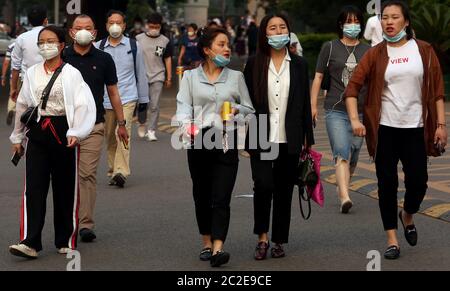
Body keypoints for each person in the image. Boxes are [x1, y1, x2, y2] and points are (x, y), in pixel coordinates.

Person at [345, 0, 448, 260]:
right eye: (385, 18)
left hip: (415, 128)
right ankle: (392, 239)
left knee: (418, 182)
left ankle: (408, 214)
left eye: (394, 17)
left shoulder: (423, 50)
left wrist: (440, 125)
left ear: (406, 21)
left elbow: (437, 92)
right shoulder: (375, 53)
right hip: (384, 131)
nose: (388, 22)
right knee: (386, 185)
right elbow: (352, 89)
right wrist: (356, 121)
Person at [8, 26, 96, 259]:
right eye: (42, 42)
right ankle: (30, 242)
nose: (46, 46)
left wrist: (77, 130)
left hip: (64, 132)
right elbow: (23, 106)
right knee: (34, 189)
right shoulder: (32, 73)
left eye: (51, 41)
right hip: (38, 131)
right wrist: (17, 137)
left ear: (61, 45)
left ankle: (65, 239)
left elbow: (82, 104)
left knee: (65, 188)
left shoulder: (72, 73)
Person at [176, 27, 254, 267]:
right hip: (198, 140)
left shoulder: (236, 77)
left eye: (228, 44)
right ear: (208, 50)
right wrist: (185, 125)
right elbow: (182, 106)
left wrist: (236, 111)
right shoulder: (190, 77)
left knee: (221, 196)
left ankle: (219, 248)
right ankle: (207, 243)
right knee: (202, 195)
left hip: (226, 140)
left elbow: (249, 109)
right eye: (221, 44)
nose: (227, 48)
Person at [243, 14, 314, 260]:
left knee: (284, 190)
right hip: (262, 134)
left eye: (282, 27)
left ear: (288, 32)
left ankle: (278, 240)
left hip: (290, 136)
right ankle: (262, 237)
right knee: (263, 185)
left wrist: (309, 139)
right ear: (265, 34)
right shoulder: (254, 63)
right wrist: (247, 137)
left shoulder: (299, 64)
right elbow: (246, 102)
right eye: (272, 28)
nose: (278, 31)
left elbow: (304, 103)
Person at [64, 14, 128, 243]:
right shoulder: (61, 57)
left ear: (94, 32)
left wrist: (121, 124)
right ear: (71, 32)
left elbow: (113, 92)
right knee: (63, 176)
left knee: (87, 175)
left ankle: (85, 224)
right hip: (62, 125)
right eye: (78, 28)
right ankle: (65, 222)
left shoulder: (104, 59)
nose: (83, 31)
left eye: (88, 28)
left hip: (94, 125)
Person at [311, 6, 370, 214]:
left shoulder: (367, 50)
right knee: (341, 152)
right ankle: (345, 196)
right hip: (335, 108)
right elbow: (318, 77)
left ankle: (342, 185)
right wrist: (312, 107)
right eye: (348, 21)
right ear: (341, 24)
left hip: (361, 111)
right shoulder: (330, 47)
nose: (352, 25)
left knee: (353, 154)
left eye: (356, 22)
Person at [95, 10, 149, 188]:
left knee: (123, 133)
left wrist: (143, 101)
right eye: (111, 23)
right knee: (110, 137)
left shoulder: (134, 46)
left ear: (124, 26)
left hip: (127, 97)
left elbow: (141, 73)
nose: (115, 26)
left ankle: (121, 171)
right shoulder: (98, 47)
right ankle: (113, 170)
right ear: (106, 26)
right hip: (105, 99)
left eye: (118, 22)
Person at [136, 13, 173, 141]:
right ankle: (142, 123)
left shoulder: (165, 41)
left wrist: (169, 77)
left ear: (160, 26)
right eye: (151, 26)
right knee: (142, 103)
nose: (153, 28)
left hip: (158, 75)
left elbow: (167, 59)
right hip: (142, 76)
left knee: (155, 105)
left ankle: (151, 130)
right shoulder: (138, 39)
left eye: (156, 26)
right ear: (147, 25)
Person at [9, 5, 47, 130]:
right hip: (50, 82)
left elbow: (15, 67)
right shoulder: (52, 36)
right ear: (45, 20)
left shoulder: (21, 38)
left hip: (27, 84)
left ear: (29, 21)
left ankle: (22, 143)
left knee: (26, 119)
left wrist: (13, 89)